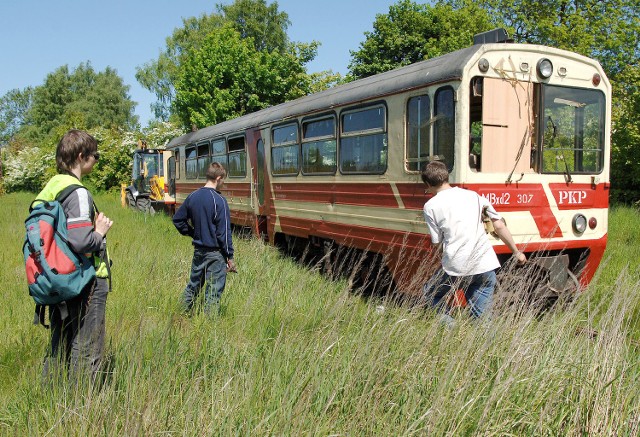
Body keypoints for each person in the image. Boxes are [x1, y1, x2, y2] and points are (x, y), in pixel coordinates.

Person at [38, 129, 113, 382]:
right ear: (82, 157)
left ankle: (52, 395)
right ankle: (82, 406)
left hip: (55, 279)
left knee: (60, 344)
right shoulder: (78, 192)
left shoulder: (50, 188)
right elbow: (82, 242)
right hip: (83, 281)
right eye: (95, 156)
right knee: (86, 346)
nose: (96, 160)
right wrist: (100, 232)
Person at [421, 161, 526, 320]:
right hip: (485, 264)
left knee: (430, 294)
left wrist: (444, 257)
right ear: (446, 177)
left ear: (428, 183)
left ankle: (450, 328)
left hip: (456, 266)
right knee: (483, 319)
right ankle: (487, 343)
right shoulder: (474, 196)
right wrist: (516, 252)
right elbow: (498, 225)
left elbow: (437, 243)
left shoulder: (431, 206)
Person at [173, 162, 236, 315]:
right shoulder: (220, 201)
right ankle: (209, 327)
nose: (223, 183)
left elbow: (178, 220)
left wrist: (193, 233)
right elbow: (224, 233)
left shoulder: (193, 197)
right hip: (216, 253)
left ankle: (180, 316)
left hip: (199, 251)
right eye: (223, 180)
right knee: (213, 292)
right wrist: (230, 256)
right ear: (218, 178)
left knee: (193, 285)